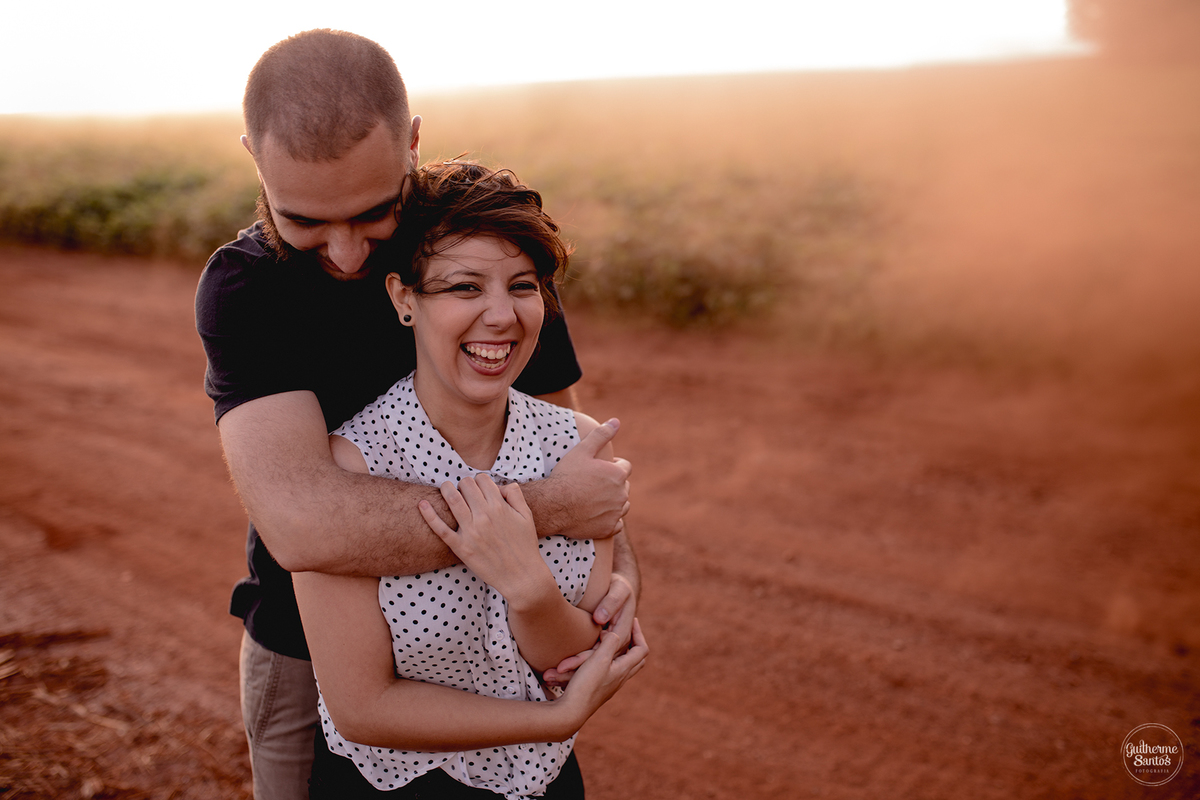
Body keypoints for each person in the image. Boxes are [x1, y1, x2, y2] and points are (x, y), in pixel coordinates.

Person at [194, 29, 641, 800]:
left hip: (492, 631)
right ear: (252, 158)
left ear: (412, 143)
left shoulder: (482, 249)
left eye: (373, 214)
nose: (344, 254)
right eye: (303, 221)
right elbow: (303, 523)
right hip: (313, 651)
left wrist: (620, 574)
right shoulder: (247, 291)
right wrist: (542, 513)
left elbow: (567, 450)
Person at [296, 160, 648, 798]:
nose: (501, 316)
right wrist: (553, 720)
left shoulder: (573, 444)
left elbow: (568, 657)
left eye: (522, 285)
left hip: (541, 783)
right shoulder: (353, 467)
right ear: (406, 299)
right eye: (464, 288)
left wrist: (530, 589)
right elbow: (363, 708)